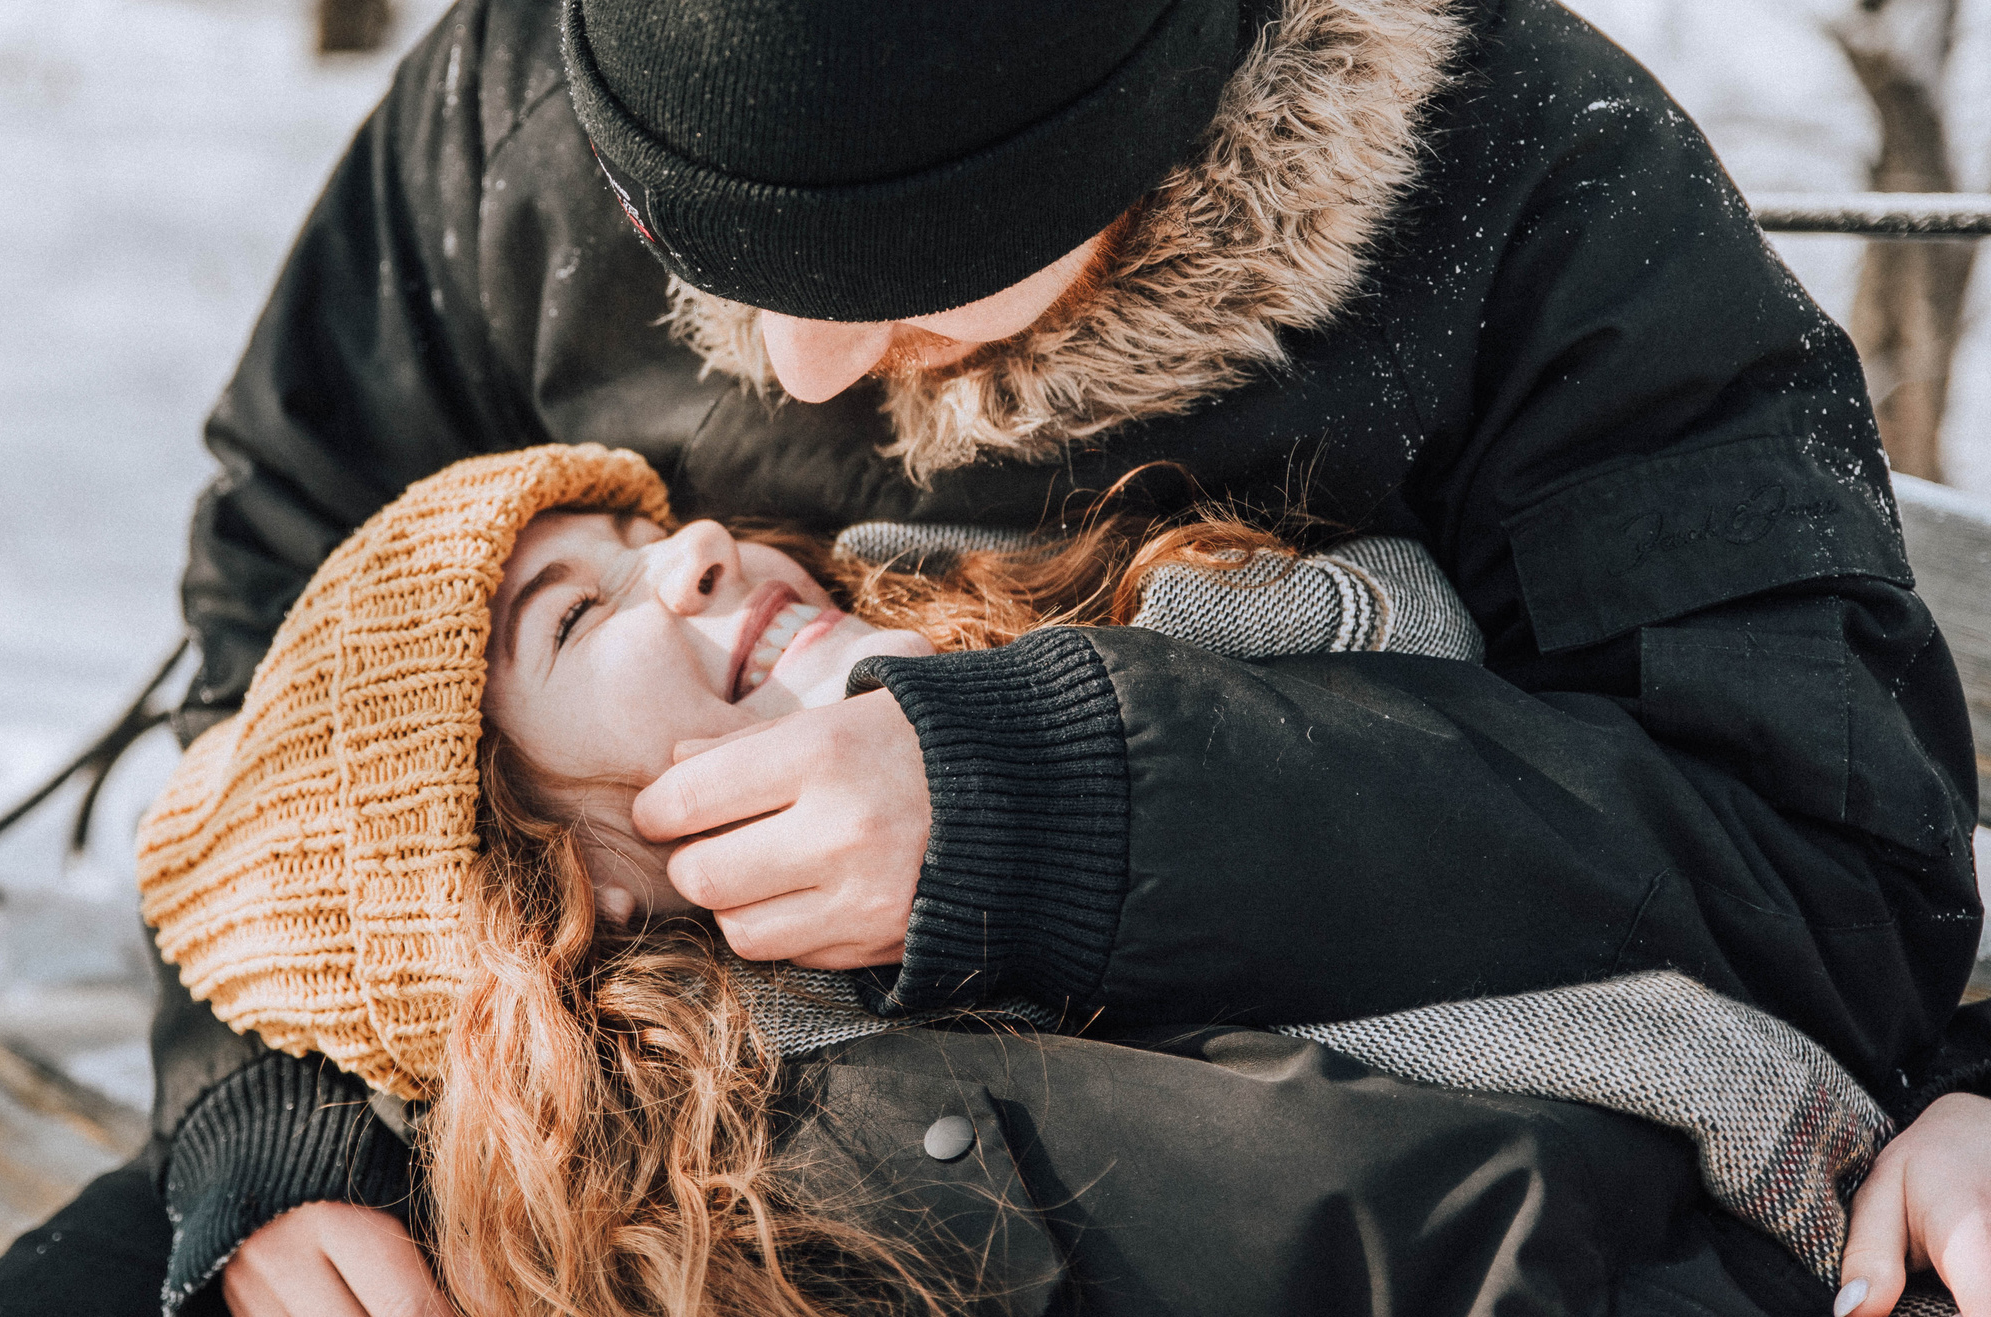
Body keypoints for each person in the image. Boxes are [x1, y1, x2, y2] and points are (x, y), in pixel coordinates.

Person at [0, 0, 1984, 1308]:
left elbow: (1822, 869)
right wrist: (272, 1108)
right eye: (701, 251)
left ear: (1163, 139)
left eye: (917, 284)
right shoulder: (579, 48)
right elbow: (289, 618)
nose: (800, 359)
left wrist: (1068, 817)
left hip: (1206, 1159)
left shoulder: (1536, 206)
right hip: (541, 1086)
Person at [130, 444, 1934, 1317]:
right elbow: (1472, 1228)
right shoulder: (767, 1185)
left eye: (643, 522)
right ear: (546, 879)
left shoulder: (1100, 622)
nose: (687, 544)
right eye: (581, 612)